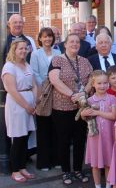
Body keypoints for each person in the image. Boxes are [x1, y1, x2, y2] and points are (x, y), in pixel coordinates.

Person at [49, 33, 93, 185]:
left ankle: (78, 170)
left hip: (81, 108)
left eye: (77, 42)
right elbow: (54, 80)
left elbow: (91, 79)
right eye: (71, 42)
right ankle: (66, 171)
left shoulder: (85, 61)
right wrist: (73, 95)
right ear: (65, 44)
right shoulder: (57, 59)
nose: (75, 44)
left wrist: (84, 93)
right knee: (64, 141)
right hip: (62, 108)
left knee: (80, 140)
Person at [1, 38, 37, 183]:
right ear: (14, 50)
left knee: (25, 137)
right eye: (20, 48)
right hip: (17, 105)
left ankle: (22, 166)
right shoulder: (9, 67)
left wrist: (33, 102)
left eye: (25, 48)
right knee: (17, 138)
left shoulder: (26, 65)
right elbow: (12, 90)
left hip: (29, 104)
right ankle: (15, 170)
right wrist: (27, 106)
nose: (23, 51)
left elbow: (34, 85)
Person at [30, 27, 61, 170]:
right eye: (44, 37)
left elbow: (60, 70)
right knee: (43, 129)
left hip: (57, 93)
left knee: (56, 128)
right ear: (40, 39)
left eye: (50, 36)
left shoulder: (58, 52)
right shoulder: (35, 54)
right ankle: (44, 162)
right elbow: (34, 73)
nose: (47, 39)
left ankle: (56, 159)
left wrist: (56, 83)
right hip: (43, 93)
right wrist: (47, 83)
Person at [82, 70, 116, 188]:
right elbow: (83, 117)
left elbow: (113, 116)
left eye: (105, 83)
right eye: (99, 83)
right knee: (95, 164)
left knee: (108, 163)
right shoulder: (90, 100)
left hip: (108, 136)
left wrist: (97, 112)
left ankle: (108, 185)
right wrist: (83, 114)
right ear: (93, 84)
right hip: (95, 137)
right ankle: (97, 186)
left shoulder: (112, 98)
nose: (102, 86)